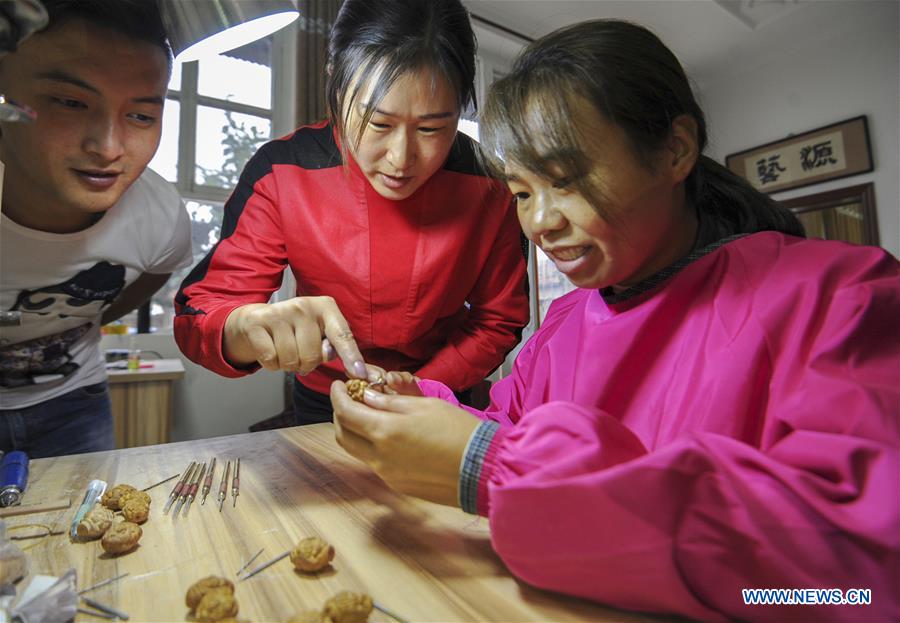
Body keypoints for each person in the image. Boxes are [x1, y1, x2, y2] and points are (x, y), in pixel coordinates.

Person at [330, 19, 899, 622]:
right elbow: (505, 427)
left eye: (566, 180)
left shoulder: (842, 298)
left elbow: (857, 579)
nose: (541, 222)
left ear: (675, 151)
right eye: (522, 193)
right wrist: (423, 406)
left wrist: (495, 470)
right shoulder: (566, 323)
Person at [174, 0, 529, 425]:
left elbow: (500, 320)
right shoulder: (282, 170)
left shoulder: (488, 187)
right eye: (378, 123)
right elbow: (204, 312)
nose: (401, 159)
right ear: (336, 85)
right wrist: (245, 327)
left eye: (432, 128)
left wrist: (422, 386)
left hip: (441, 400)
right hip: (324, 400)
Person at [0, 0, 192, 458]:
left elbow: (155, 272)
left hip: (74, 403)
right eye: (69, 102)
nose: (107, 147)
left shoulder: (160, 218)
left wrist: (85, 318)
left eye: (141, 115)